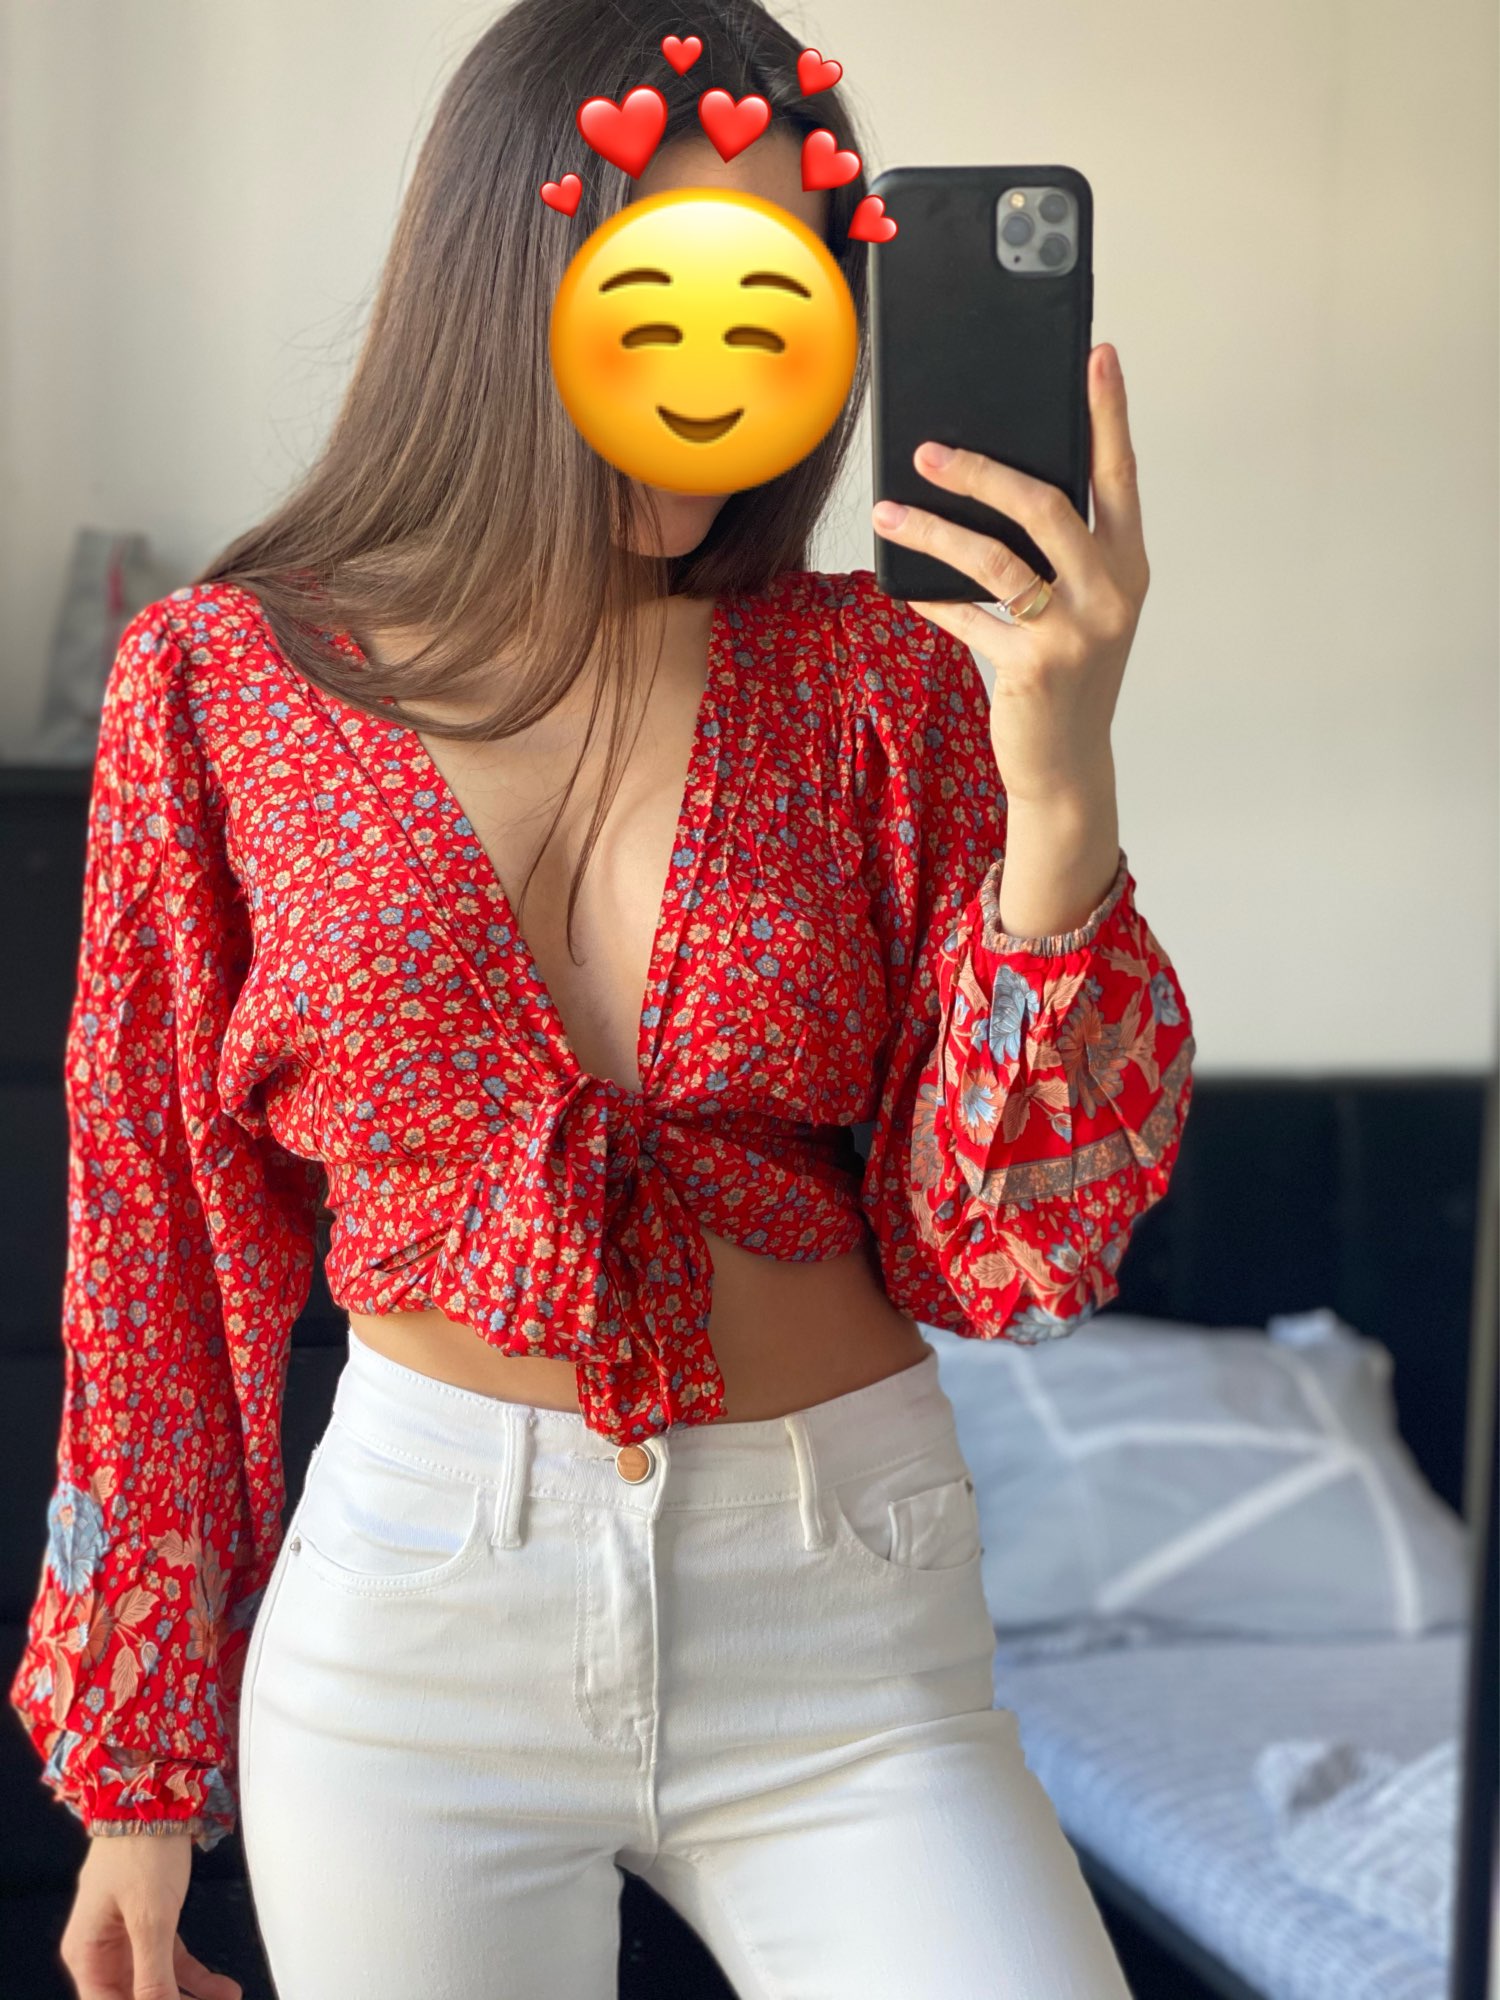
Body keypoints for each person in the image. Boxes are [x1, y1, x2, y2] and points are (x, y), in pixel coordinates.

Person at [12, 3, 1195, 1996]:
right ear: (512, 285)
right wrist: (140, 1773)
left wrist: (1063, 768)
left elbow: (1005, 1257)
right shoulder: (218, 685)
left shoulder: (891, 683)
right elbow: (158, 1245)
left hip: (848, 1621)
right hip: (414, 1639)